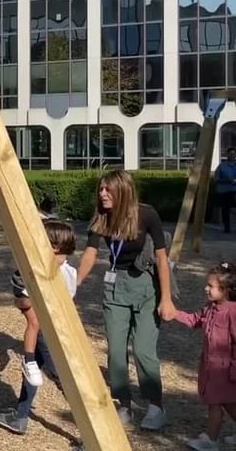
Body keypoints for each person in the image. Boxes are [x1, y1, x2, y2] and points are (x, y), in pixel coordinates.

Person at [76, 170, 174, 430]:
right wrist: (72, 283)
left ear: (123, 191)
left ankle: (155, 406)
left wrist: (166, 299)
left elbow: (163, 258)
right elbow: (90, 254)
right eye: (100, 190)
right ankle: (124, 405)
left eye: (108, 190)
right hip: (115, 285)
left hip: (146, 286)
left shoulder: (147, 214)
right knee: (116, 351)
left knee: (143, 350)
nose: (102, 194)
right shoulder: (101, 217)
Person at [0, 220, 78, 435]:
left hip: (47, 333)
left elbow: (28, 303)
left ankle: (90, 433)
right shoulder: (70, 272)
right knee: (31, 372)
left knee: (63, 380)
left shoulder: (47, 273)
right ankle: (20, 415)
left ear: (55, 246)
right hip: (58, 329)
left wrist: (18, 298)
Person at [171, 262, 236, 451]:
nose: (206, 288)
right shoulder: (210, 307)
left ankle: (211, 440)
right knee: (228, 402)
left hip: (225, 369)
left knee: (215, 404)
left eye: (211, 286)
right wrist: (174, 314)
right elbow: (194, 320)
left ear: (226, 290)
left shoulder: (232, 312)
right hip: (210, 367)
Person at [215, 148, 236, 233]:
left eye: (234, 154)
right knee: (225, 210)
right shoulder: (222, 166)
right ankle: (227, 227)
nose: (232, 155)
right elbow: (216, 179)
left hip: (234, 190)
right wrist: (226, 180)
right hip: (224, 191)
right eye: (230, 154)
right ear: (227, 155)